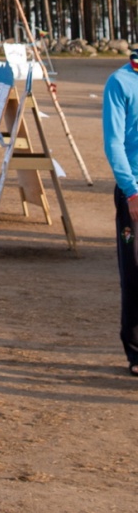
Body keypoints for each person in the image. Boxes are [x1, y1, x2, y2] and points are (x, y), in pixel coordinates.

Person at [103, 49, 138, 377]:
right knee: (135, 273)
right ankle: (136, 349)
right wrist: (131, 191)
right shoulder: (120, 82)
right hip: (135, 192)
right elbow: (113, 143)